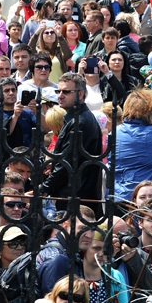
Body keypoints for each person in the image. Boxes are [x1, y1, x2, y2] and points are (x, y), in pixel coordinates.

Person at [38, 72, 104, 214]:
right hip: (76, 193)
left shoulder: (80, 121)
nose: (60, 96)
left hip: (76, 196)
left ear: (80, 94)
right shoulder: (76, 118)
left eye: (66, 92)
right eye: (58, 91)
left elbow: (66, 163)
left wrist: (44, 188)